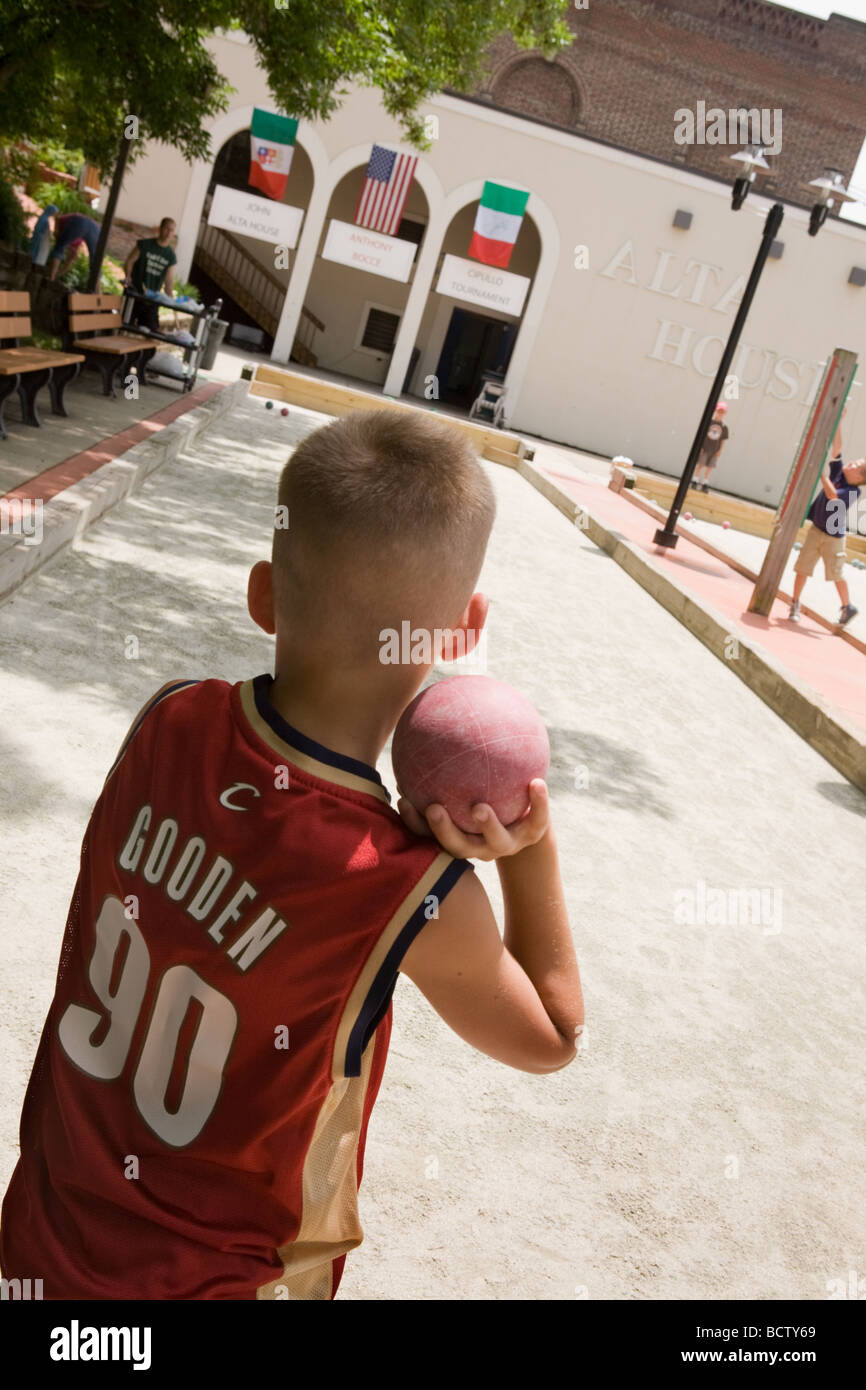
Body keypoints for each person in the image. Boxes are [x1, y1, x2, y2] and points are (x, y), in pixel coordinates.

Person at [0, 409, 584, 1300]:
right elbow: (553, 1036)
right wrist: (529, 849)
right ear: (463, 632)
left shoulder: (169, 716)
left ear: (264, 592)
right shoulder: (407, 887)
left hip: (39, 1244)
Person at [788, 411, 866, 627]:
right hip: (817, 530)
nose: (849, 464)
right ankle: (795, 602)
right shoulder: (839, 473)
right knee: (802, 567)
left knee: (836, 574)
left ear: (858, 478)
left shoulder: (852, 491)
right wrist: (839, 421)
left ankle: (847, 606)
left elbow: (832, 494)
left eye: (855, 466)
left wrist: (821, 473)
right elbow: (837, 449)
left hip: (834, 538)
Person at [123, 217, 177, 333]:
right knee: (124, 326)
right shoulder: (145, 245)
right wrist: (128, 276)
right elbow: (129, 261)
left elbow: (169, 282)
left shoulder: (170, 256)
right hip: (135, 294)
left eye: (172, 230)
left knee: (152, 333)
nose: (169, 233)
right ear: (161, 229)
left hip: (152, 300)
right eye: (167, 229)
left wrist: (171, 301)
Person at [47, 212, 101, 280]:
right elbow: (71, 258)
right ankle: (98, 290)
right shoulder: (75, 241)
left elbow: (58, 219)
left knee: (59, 247)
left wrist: (56, 230)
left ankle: (51, 277)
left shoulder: (66, 229)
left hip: (79, 221)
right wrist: (58, 274)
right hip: (96, 229)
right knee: (95, 262)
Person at [693, 401, 729, 493]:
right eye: (719, 411)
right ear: (715, 411)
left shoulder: (724, 426)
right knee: (701, 464)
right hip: (705, 448)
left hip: (715, 450)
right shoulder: (709, 422)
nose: (720, 413)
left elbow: (723, 440)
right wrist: (700, 446)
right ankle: (695, 480)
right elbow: (702, 435)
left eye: (722, 412)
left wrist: (720, 450)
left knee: (710, 467)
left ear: (725, 413)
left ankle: (705, 483)